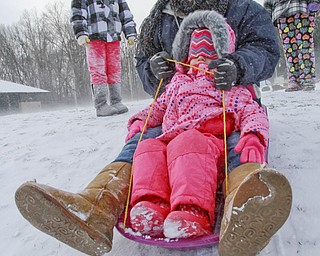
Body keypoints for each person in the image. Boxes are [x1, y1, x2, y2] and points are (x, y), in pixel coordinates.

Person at [14, 1, 286, 256]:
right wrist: (153, 71)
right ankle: (97, 208)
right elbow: (144, 62)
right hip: (177, 106)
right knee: (146, 143)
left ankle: (244, 208)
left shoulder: (240, 7)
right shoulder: (160, 16)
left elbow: (266, 49)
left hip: (229, 99)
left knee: (237, 144)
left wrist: (238, 65)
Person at [128, 11, 271, 241]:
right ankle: (152, 205)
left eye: (210, 53)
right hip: (173, 139)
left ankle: (193, 212)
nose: (201, 59)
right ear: (185, 56)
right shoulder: (177, 84)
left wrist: (254, 135)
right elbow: (158, 107)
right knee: (149, 148)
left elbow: (251, 111)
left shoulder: (227, 86)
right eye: (196, 54)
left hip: (209, 142)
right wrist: (139, 121)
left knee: (188, 143)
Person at [71, 0, 137, 116]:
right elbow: (78, 13)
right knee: (98, 71)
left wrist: (130, 33)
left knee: (114, 70)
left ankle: (116, 101)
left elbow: (125, 14)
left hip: (114, 37)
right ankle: (101, 104)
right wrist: (81, 33)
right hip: (94, 37)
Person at [264, 0, 320, 92]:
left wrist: (315, 3)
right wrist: (267, 14)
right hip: (281, 12)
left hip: (301, 9)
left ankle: (307, 78)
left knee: (305, 46)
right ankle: (294, 79)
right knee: (289, 49)